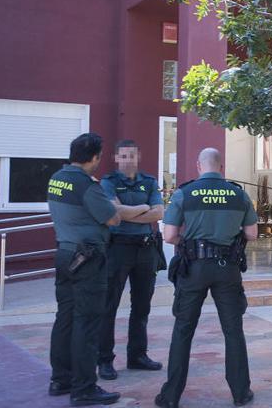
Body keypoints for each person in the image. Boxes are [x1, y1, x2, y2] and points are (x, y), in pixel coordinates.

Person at [47, 133, 149, 406]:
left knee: (65, 318)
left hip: (64, 254)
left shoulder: (57, 178)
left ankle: (60, 379)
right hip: (88, 259)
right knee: (88, 322)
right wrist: (142, 207)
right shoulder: (86, 185)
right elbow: (113, 217)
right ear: (94, 158)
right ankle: (84, 388)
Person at [155, 148, 258, 408]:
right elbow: (252, 234)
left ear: (199, 166)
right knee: (233, 331)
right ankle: (240, 392)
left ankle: (171, 396)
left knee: (183, 330)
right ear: (220, 167)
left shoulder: (184, 193)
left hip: (194, 268)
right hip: (228, 269)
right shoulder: (238, 194)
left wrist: (190, 243)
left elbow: (168, 236)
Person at [97, 140, 165, 380]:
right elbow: (114, 213)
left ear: (138, 156)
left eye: (132, 156)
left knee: (142, 306)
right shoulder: (108, 182)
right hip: (118, 249)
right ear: (116, 158)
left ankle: (137, 356)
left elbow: (159, 213)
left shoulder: (149, 181)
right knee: (109, 306)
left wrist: (128, 211)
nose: (128, 160)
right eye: (123, 156)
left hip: (145, 250)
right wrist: (144, 208)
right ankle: (104, 360)